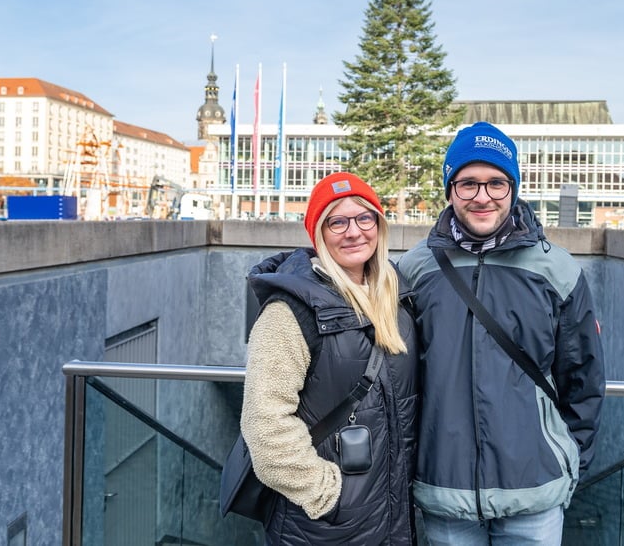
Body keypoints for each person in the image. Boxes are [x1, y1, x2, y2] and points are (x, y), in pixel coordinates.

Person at [398, 121, 605, 545]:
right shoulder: (415, 270)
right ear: (450, 189)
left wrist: (571, 464)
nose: (482, 197)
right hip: (444, 488)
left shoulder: (556, 270)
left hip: (536, 488)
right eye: (468, 183)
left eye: (496, 183)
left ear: (513, 188)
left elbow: (583, 377)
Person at [241, 172, 419, 545]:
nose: (354, 232)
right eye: (337, 221)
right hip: (324, 528)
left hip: (392, 517)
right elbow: (265, 426)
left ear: (379, 225)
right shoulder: (289, 312)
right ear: (318, 233)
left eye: (363, 218)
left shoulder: (396, 297)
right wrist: (329, 497)